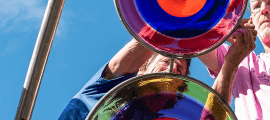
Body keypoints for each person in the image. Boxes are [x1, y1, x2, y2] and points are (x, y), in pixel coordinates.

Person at [58, 39, 190, 120]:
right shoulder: (113, 87)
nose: (173, 70)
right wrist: (170, 21)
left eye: (179, 71)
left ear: (178, 92)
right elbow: (123, 63)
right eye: (165, 62)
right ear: (142, 69)